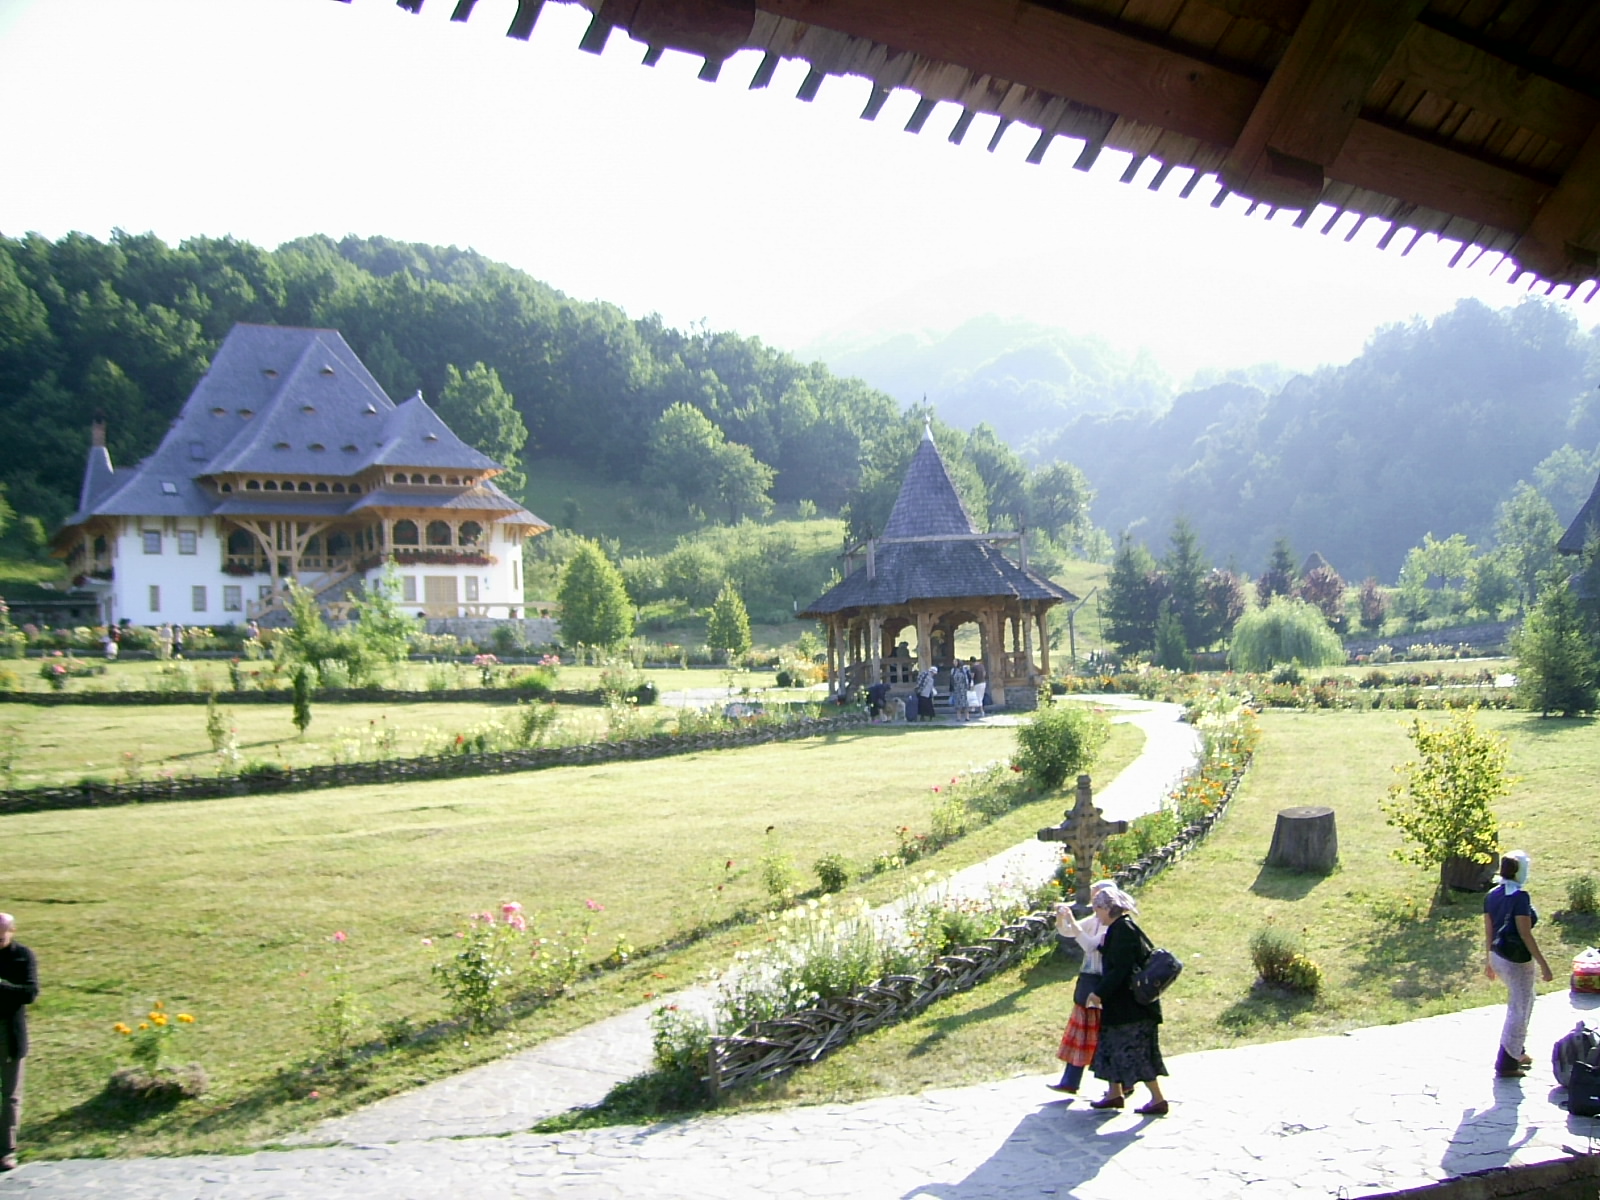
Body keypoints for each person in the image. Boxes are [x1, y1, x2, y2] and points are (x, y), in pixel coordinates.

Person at [1084, 885, 1169, 1116]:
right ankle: (1114, 1093)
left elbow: (1119, 970)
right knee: (1111, 1047)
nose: (1096, 914)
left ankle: (1158, 1099)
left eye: (1098, 909)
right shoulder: (1121, 928)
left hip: (1132, 1009)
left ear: (1108, 908)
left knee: (1136, 1052)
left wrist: (1098, 993)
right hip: (1125, 1007)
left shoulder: (1122, 930)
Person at [1483, 851, 1553, 1077]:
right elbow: (1525, 933)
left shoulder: (1492, 894)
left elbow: (1489, 930)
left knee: (1524, 1001)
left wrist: (1488, 960)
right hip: (1516, 960)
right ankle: (1506, 1062)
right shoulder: (1520, 897)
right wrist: (1544, 964)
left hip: (1497, 955)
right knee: (1519, 1008)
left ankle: (1518, 1050)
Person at [1049, 880, 1113, 1094]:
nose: (1094, 902)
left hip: (1102, 984)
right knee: (1081, 1031)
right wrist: (1062, 916)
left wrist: (1072, 920)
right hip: (1088, 980)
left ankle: (1121, 1084)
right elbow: (1068, 932)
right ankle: (1070, 1081)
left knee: (1103, 1033)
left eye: (1098, 897)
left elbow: (1089, 944)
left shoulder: (1109, 924)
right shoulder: (1094, 920)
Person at [0, 913, 38, 1172]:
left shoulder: (22, 956)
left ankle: (7, 1151)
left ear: (12, 931)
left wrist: (1, 987)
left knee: (10, 1096)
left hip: (8, 1033)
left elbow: (30, 993)